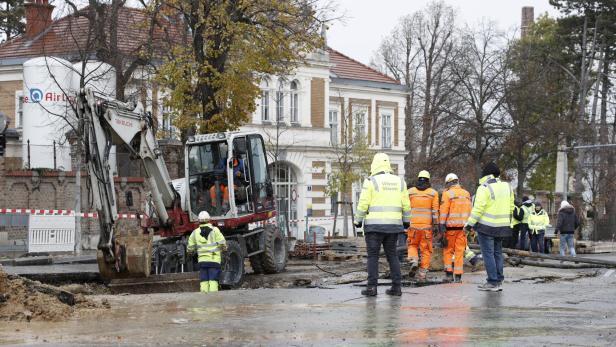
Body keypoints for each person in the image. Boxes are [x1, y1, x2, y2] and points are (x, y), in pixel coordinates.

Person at [354, 153, 411, 296]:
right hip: (393, 227)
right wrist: (406, 222)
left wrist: (358, 221)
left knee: (373, 256)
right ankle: (396, 288)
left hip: (374, 228)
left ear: (374, 164)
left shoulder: (371, 181)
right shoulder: (400, 182)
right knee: (392, 255)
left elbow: (363, 203)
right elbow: (406, 205)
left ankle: (372, 288)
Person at [464, 162, 514, 292]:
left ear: (485, 175)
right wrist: (509, 224)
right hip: (503, 227)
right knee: (498, 253)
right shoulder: (508, 187)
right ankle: (499, 280)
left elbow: (478, 209)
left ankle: (492, 281)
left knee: (488, 255)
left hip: (487, 227)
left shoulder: (484, 187)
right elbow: (511, 207)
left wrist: (469, 225)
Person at [439, 173, 472, 283]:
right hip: (463, 228)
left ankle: (449, 274)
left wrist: (441, 226)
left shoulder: (447, 194)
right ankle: (458, 276)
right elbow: (470, 211)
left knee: (448, 250)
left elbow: (443, 212)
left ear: (448, 183)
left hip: (451, 228)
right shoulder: (467, 193)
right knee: (459, 252)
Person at [407, 170, 439, 282]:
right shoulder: (433, 193)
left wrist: (405, 222)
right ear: (428, 180)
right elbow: (435, 211)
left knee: (412, 245)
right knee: (426, 250)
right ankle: (422, 274)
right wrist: (436, 225)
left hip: (413, 226)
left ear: (418, 178)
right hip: (426, 228)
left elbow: (406, 208)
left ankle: (414, 260)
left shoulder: (410, 192)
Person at [187, 211, 227, 293]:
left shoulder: (195, 233)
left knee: (204, 281)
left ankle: (204, 300)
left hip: (202, 262)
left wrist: (190, 253)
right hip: (214, 260)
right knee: (213, 280)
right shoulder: (215, 230)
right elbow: (222, 243)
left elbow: (190, 249)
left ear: (199, 221)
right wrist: (224, 250)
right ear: (209, 220)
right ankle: (212, 300)